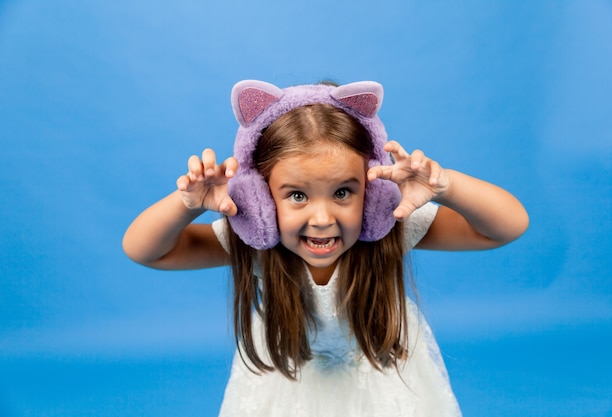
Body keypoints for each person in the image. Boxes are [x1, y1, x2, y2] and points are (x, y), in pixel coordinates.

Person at [123, 80, 529, 416]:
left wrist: (447, 186)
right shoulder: (254, 239)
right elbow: (145, 250)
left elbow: (507, 226)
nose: (322, 218)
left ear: (371, 196)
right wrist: (187, 203)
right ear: (261, 202)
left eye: (342, 193)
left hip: (382, 382)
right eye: (297, 196)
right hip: (286, 388)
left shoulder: (389, 227)